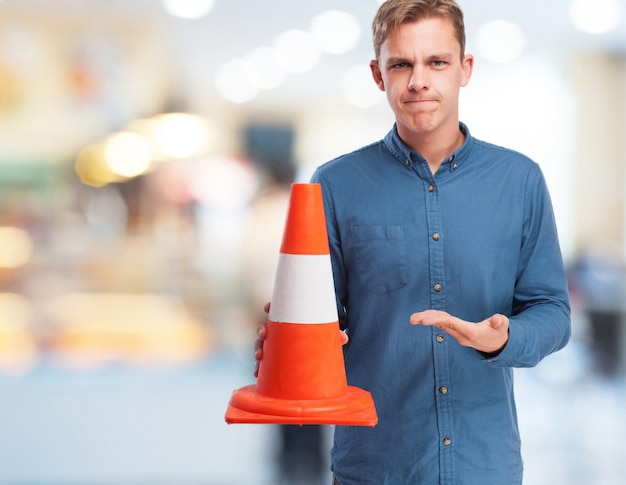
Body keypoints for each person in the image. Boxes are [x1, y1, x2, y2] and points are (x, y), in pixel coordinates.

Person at [255, 0, 571, 483]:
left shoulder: (520, 180)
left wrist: (504, 338)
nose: (418, 80)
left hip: (484, 465)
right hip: (376, 466)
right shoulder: (335, 185)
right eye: (401, 63)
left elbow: (552, 310)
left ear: (465, 69)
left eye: (437, 62)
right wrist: (292, 343)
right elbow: (323, 320)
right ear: (378, 74)